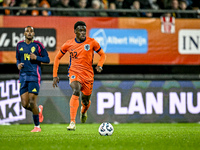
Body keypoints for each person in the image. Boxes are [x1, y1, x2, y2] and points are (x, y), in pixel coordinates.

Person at [52, 21, 106, 131]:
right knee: (76, 90)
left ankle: (83, 111)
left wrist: (100, 65)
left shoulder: (92, 42)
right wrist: (54, 75)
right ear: (75, 31)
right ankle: (72, 122)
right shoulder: (69, 44)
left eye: (84, 30)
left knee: (85, 101)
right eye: (80, 30)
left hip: (88, 76)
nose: (83, 32)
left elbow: (103, 54)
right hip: (74, 73)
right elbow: (57, 57)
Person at [16, 26, 50, 132]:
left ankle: (37, 127)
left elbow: (47, 59)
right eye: (27, 31)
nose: (29, 33)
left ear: (34, 33)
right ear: (24, 33)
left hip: (34, 76)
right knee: (25, 104)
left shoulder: (38, 45)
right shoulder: (19, 45)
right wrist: (18, 64)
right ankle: (38, 110)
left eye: (31, 31)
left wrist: (37, 58)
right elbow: (18, 58)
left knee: (31, 101)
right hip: (23, 77)